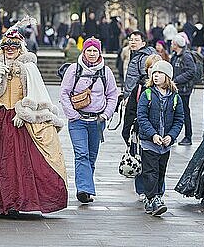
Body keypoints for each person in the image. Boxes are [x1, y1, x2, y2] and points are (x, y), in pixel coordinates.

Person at [0, 23, 67, 215]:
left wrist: (24, 112)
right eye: (6, 47)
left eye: (14, 47)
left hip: (19, 119)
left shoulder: (29, 68)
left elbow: (35, 94)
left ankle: (16, 202)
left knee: (18, 163)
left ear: (20, 48)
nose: (9, 50)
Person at [60, 38, 118, 204]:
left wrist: (106, 114)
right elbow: (64, 93)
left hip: (97, 121)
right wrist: (72, 114)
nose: (92, 54)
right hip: (77, 120)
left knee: (91, 156)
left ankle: (86, 185)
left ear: (99, 52)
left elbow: (112, 94)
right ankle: (83, 189)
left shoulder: (106, 72)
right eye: (89, 50)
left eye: (95, 51)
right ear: (83, 51)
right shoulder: (74, 69)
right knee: (81, 154)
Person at [137, 61, 184, 216]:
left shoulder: (175, 97)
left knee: (161, 172)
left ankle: (154, 199)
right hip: (149, 142)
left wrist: (171, 136)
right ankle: (153, 198)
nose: (156, 76)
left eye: (160, 73)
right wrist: (153, 135)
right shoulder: (147, 94)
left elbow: (179, 119)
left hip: (165, 144)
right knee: (151, 171)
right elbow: (142, 117)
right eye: (154, 73)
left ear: (167, 77)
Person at [121, 54, 162, 199]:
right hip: (141, 131)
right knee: (141, 160)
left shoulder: (167, 89)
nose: (154, 71)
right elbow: (131, 110)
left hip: (160, 132)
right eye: (151, 67)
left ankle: (157, 190)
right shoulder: (139, 87)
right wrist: (127, 131)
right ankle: (143, 190)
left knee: (158, 164)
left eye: (157, 68)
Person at [170, 33, 196, 146]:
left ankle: (188, 136)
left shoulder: (186, 56)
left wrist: (176, 79)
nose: (171, 45)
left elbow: (191, 71)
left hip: (184, 90)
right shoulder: (175, 56)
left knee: (185, 112)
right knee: (172, 112)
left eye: (172, 43)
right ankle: (172, 136)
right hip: (176, 88)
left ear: (177, 45)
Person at [123, 31, 157, 100]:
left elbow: (146, 78)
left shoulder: (144, 57)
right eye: (131, 40)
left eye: (136, 40)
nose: (133, 42)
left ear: (143, 43)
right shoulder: (135, 55)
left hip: (138, 96)